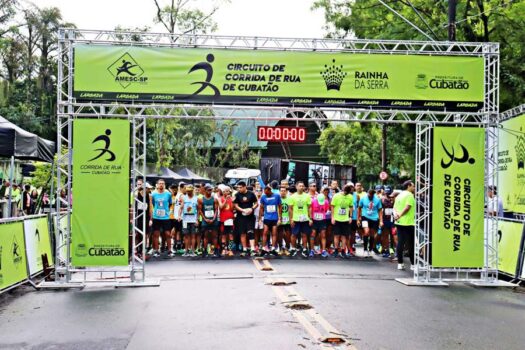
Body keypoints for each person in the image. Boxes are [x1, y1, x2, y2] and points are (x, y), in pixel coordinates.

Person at [393, 180, 416, 270]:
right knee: (411, 244)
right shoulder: (409, 195)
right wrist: (400, 215)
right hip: (408, 222)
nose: (414, 188)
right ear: (409, 186)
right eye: (413, 186)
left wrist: (396, 215)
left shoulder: (399, 195)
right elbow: (407, 207)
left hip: (399, 222)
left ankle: (400, 263)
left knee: (400, 243)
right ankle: (413, 264)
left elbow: (394, 207)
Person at [233, 181, 258, 257]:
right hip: (240, 217)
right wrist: (243, 210)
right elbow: (235, 205)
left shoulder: (251, 194)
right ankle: (244, 249)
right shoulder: (237, 195)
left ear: (245, 187)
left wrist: (251, 209)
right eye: (238, 187)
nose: (239, 189)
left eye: (240, 187)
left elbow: (256, 203)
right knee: (242, 233)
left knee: (250, 232)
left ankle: (252, 249)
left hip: (250, 217)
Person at [149, 179, 173, 258]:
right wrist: (152, 217)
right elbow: (152, 205)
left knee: (168, 234)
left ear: (164, 185)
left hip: (165, 217)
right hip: (156, 217)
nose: (161, 185)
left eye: (162, 183)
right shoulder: (153, 194)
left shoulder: (168, 194)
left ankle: (169, 250)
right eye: (160, 183)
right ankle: (156, 250)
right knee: (156, 234)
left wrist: (166, 211)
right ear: (157, 185)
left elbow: (170, 204)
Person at [289, 181, 312, 258]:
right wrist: (291, 219)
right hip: (295, 219)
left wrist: (310, 218)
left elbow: (309, 208)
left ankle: (305, 249)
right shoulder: (292, 196)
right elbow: (290, 209)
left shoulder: (307, 196)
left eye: (303, 186)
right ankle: (293, 248)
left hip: (305, 219)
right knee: (294, 234)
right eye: (300, 186)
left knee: (304, 234)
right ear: (296, 187)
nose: (301, 187)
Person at [358, 189, 383, 257]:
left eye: (371, 196)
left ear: (373, 195)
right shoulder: (363, 198)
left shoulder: (377, 200)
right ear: (367, 193)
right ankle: (365, 250)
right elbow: (359, 208)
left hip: (374, 218)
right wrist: (358, 218)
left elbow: (380, 210)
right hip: (365, 217)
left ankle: (371, 249)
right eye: (369, 195)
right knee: (366, 232)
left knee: (372, 234)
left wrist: (381, 220)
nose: (370, 197)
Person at [331, 184, 354, 258]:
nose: (346, 194)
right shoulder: (336, 196)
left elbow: (351, 206)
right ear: (343, 190)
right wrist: (332, 217)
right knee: (336, 235)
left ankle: (343, 250)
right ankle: (336, 250)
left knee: (344, 236)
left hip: (345, 219)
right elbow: (332, 206)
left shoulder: (350, 196)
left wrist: (350, 216)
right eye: (345, 192)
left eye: (348, 193)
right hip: (337, 218)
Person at [259, 185, 282, 256]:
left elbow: (280, 206)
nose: (265, 194)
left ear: (270, 190)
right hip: (267, 218)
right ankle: (263, 248)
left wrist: (280, 217)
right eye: (264, 193)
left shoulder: (277, 196)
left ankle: (273, 249)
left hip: (274, 218)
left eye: (267, 193)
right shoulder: (263, 197)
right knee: (265, 232)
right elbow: (261, 207)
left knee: (274, 233)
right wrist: (261, 217)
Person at [198, 184, 220, 257]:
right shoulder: (201, 200)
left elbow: (216, 210)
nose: (210, 191)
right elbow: (200, 210)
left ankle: (216, 251)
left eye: (211, 190)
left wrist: (213, 219)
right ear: (205, 190)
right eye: (208, 190)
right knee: (206, 236)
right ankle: (205, 251)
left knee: (214, 236)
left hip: (213, 220)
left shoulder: (215, 199)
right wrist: (205, 219)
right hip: (205, 220)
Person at [179, 185, 199, 257]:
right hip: (185, 220)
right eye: (187, 191)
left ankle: (193, 251)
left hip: (193, 220)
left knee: (193, 236)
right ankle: (186, 251)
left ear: (192, 190)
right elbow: (181, 208)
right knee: (186, 236)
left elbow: (198, 210)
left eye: (190, 191)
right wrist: (179, 216)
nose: (188, 192)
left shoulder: (196, 198)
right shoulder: (184, 198)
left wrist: (197, 219)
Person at [311, 193, 330, 258]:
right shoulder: (313, 201)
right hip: (314, 220)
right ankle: (312, 250)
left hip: (322, 220)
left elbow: (326, 210)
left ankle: (324, 250)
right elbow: (310, 210)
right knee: (313, 234)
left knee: (323, 235)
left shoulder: (326, 202)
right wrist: (310, 219)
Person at [218, 186, 235, 257]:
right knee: (224, 235)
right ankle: (224, 249)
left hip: (230, 219)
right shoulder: (220, 199)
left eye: (228, 191)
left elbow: (232, 209)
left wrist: (232, 201)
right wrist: (225, 200)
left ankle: (230, 250)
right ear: (222, 192)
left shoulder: (231, 199)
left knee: (231, 235)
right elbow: (221, 207)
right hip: (223, 219)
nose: (226, 192)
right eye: (225, 191)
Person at [380, 186, 395, 258]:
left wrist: (393, 197)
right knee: (385, 235)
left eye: (389, 193)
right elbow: (379, 210)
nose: (388, 195)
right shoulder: (382, 199)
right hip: (385, 219)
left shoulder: (394, 198)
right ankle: (385, 249)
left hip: (392, 219)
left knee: (393, 235)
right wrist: (380, 220)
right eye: (386, 193)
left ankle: (392, 248)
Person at [278, 186, 292, 256]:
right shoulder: (277, 199)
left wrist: (291, 219)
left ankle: (287, 248)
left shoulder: (289, 199)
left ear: (286, 192)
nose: (283, 192)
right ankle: (280, 247)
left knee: (288, 234)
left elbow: (291, 210)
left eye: (284, 191)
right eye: (281, 191)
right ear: (279, 192)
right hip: (279, 219)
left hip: (287, 220)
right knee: (279, 234)